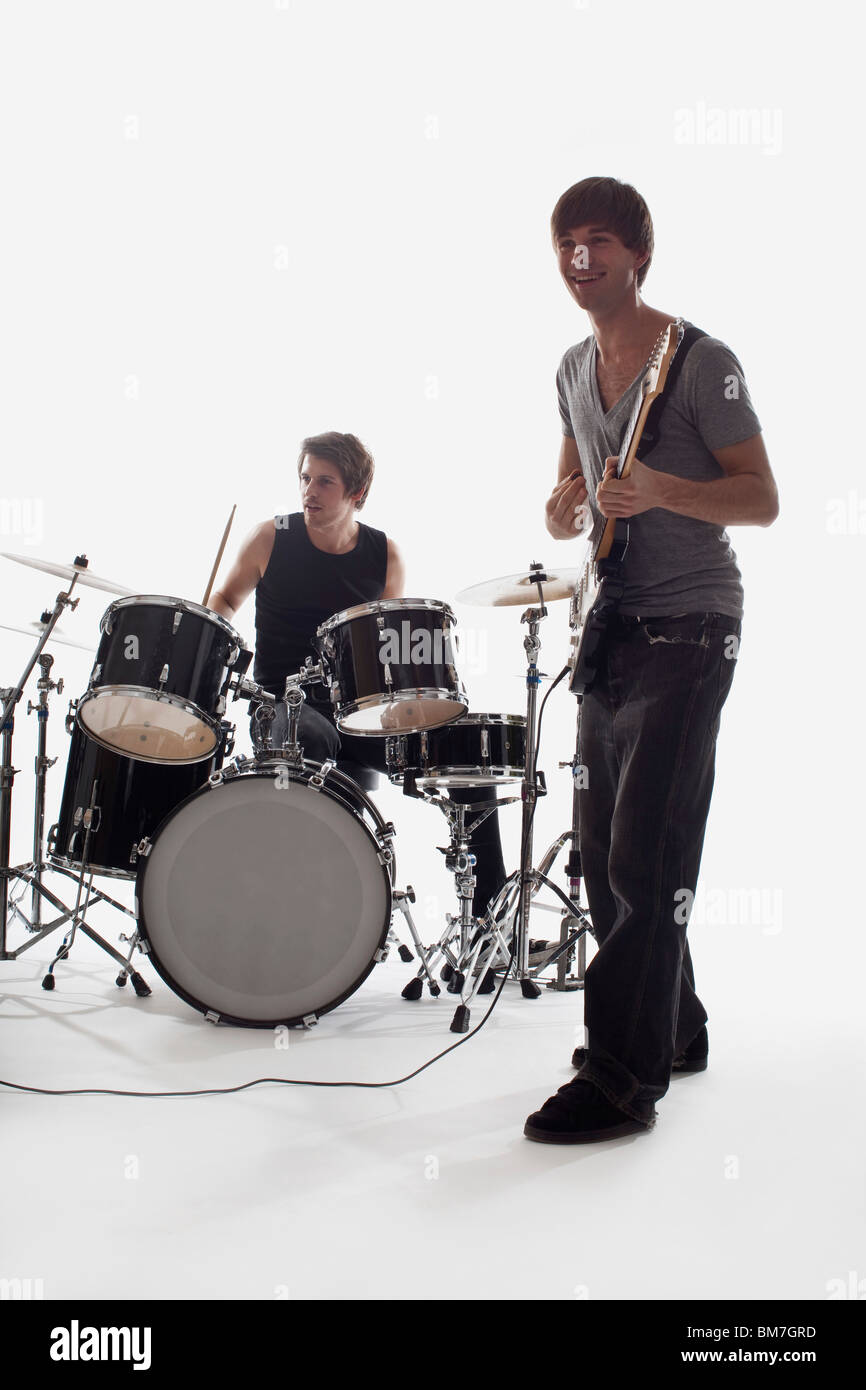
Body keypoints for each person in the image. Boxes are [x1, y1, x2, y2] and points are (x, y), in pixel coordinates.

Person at [524, 177, 779, 1144]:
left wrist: (665, 487)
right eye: (565, 244)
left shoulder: (703, 363)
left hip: (692, 627)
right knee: (599, 852)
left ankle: (623, 1082)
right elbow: (572, 481)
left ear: (639, 256)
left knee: (648, 853)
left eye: (597, 243)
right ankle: (675, 1026)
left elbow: (761, 499)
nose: (579, 260)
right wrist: (561, 504)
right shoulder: (569, 368)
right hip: (615, 624)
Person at [209, 430, 505, 915]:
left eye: (324, 481)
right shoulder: (271, 537)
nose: (309, 491)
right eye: (305, 478)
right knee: (304, 739)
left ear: (356, 494)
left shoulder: (385, 553)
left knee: (470, 756)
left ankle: (489, 921)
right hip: (283, 707)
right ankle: (305, 909)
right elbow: (224, 600)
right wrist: (212, 640)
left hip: (362, 715)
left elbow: (389, 651)